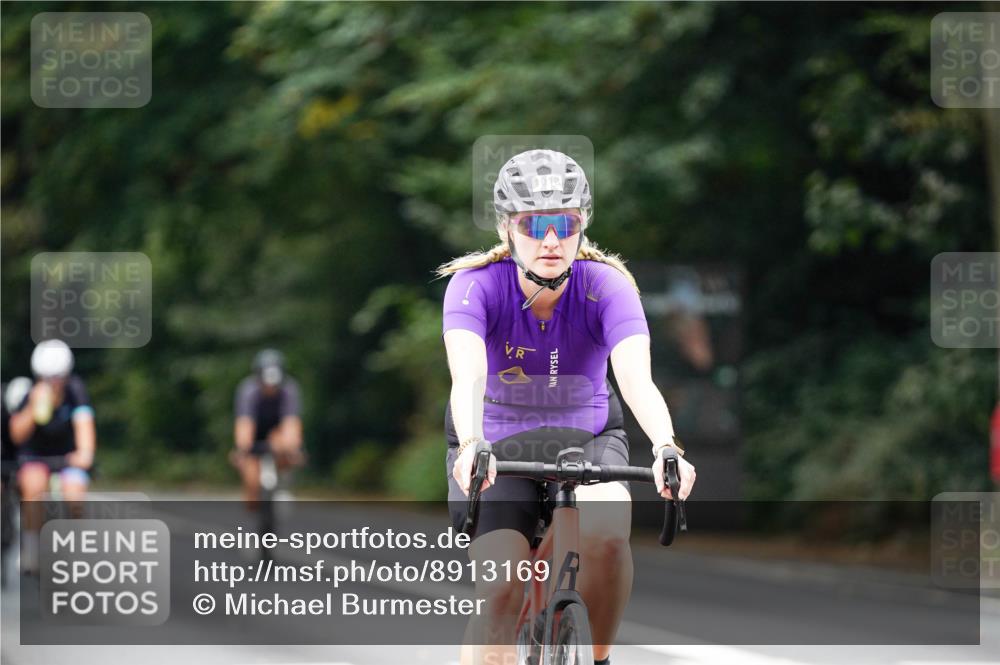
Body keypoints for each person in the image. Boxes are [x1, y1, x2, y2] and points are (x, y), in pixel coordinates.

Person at [439, 149, 697, 665]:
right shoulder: (474, 286)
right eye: (534, 225)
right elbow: (467, 377)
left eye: (567, 223)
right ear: (507, 228)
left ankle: (596, 658)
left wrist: (667, 447)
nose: (552, 240)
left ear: (583, 226)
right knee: (501, 589)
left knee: (607, 536)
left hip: (589, 437)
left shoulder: (607, 286)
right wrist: (470, 444)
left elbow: (636, 379)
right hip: (494, 443)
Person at [8, 340, 96, 574]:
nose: (53, 382)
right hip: (35, 457)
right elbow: (17, 435)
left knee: (74, 492)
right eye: (47, 378)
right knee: (33, 486)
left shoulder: (75, 391)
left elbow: (84, 426)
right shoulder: (30, 393)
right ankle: (32, 547)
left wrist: (85, 453)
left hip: (67, 457)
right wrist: (32, 408)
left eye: (57, 377)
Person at [231, 349, 304, 510]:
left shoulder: (289, 389)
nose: (270, 389)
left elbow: (291, 423)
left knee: (288, 451)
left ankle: (283, 484)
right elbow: (244, 424)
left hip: (277, 432)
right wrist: (242, 449)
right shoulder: (248, 391)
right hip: (255, 433)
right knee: (251, 486)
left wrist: (292, 448)